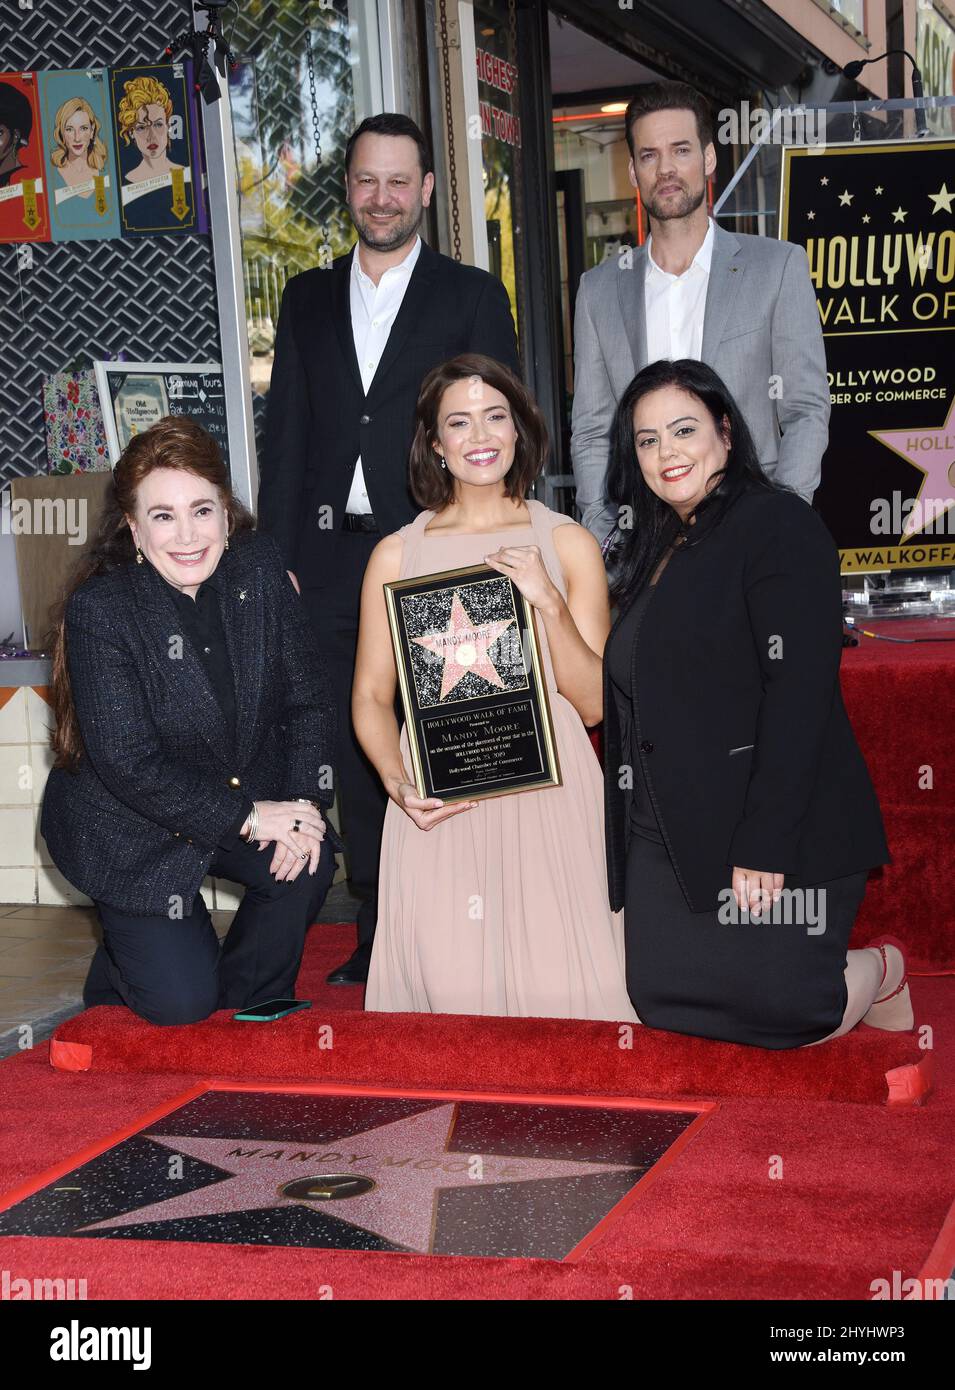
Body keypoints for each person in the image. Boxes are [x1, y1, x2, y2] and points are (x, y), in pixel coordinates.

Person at [258, 113, 519, 986]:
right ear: (349, 190)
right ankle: (378, 928)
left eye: (398, 182)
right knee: (358, 741)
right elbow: (286, 429)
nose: (382, 198)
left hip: (439, 546)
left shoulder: (473, 295)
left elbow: (497, 426)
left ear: (428, 191)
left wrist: (497, 533)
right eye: (367, 181)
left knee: (458, 728)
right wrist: (280, 552)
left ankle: (474, 920)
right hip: (330, 565)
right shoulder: (304, 296)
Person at [601, 358, 910, 1049]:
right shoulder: (651, 546)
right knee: (660, 1003)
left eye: (682, 430)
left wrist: (764, 845)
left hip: (772, 822)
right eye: (646, 441)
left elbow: (799, 693)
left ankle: (879, 970)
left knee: (781, 1016)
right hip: (665, 833)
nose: (666, 452)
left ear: (725, 432)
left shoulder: (776, 524)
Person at [354, 353, 636, 1022]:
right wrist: (398, 784)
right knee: (449, 1005)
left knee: (567, 998)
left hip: (552, 792)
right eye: (458, 422)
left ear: (519, 430)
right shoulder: (397, 555)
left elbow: (595, 702)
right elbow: (368, 697)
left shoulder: (567, 545)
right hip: (439, 799)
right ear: (434, 443)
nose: (479, 436)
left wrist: (548, 604)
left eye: (494, 417)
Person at [41, 417, 343, 1027]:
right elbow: (131, 764)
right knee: (180, 1004)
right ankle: (130, 965)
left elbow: (307, 700)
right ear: (132, 527)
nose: (187, 535)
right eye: (162, 516)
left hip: (235, 792)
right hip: (132, 827)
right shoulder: (103, 610)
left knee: (306, 861)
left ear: (227, 515)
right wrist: (252, 816)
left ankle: (241, 1008)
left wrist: (304, 808)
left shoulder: (259, 569)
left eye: (202, 510)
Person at [571, 80, 829, 547]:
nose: (666, 169)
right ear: (632, 170)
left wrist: (782, 516)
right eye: (649, 155)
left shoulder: (776, 267)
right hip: (645, 540)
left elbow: (806, 409)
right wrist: (606, 534)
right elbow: (592, 431)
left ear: (709, 159)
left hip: (752, 526)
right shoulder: (598, 290)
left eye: (681, 150)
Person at [50, 96, 108, 192]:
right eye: (69, 129)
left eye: (83, 128)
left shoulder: (103, 168)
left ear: (92, 130)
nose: (77, 138)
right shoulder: (54, 174)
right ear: (61, 133)